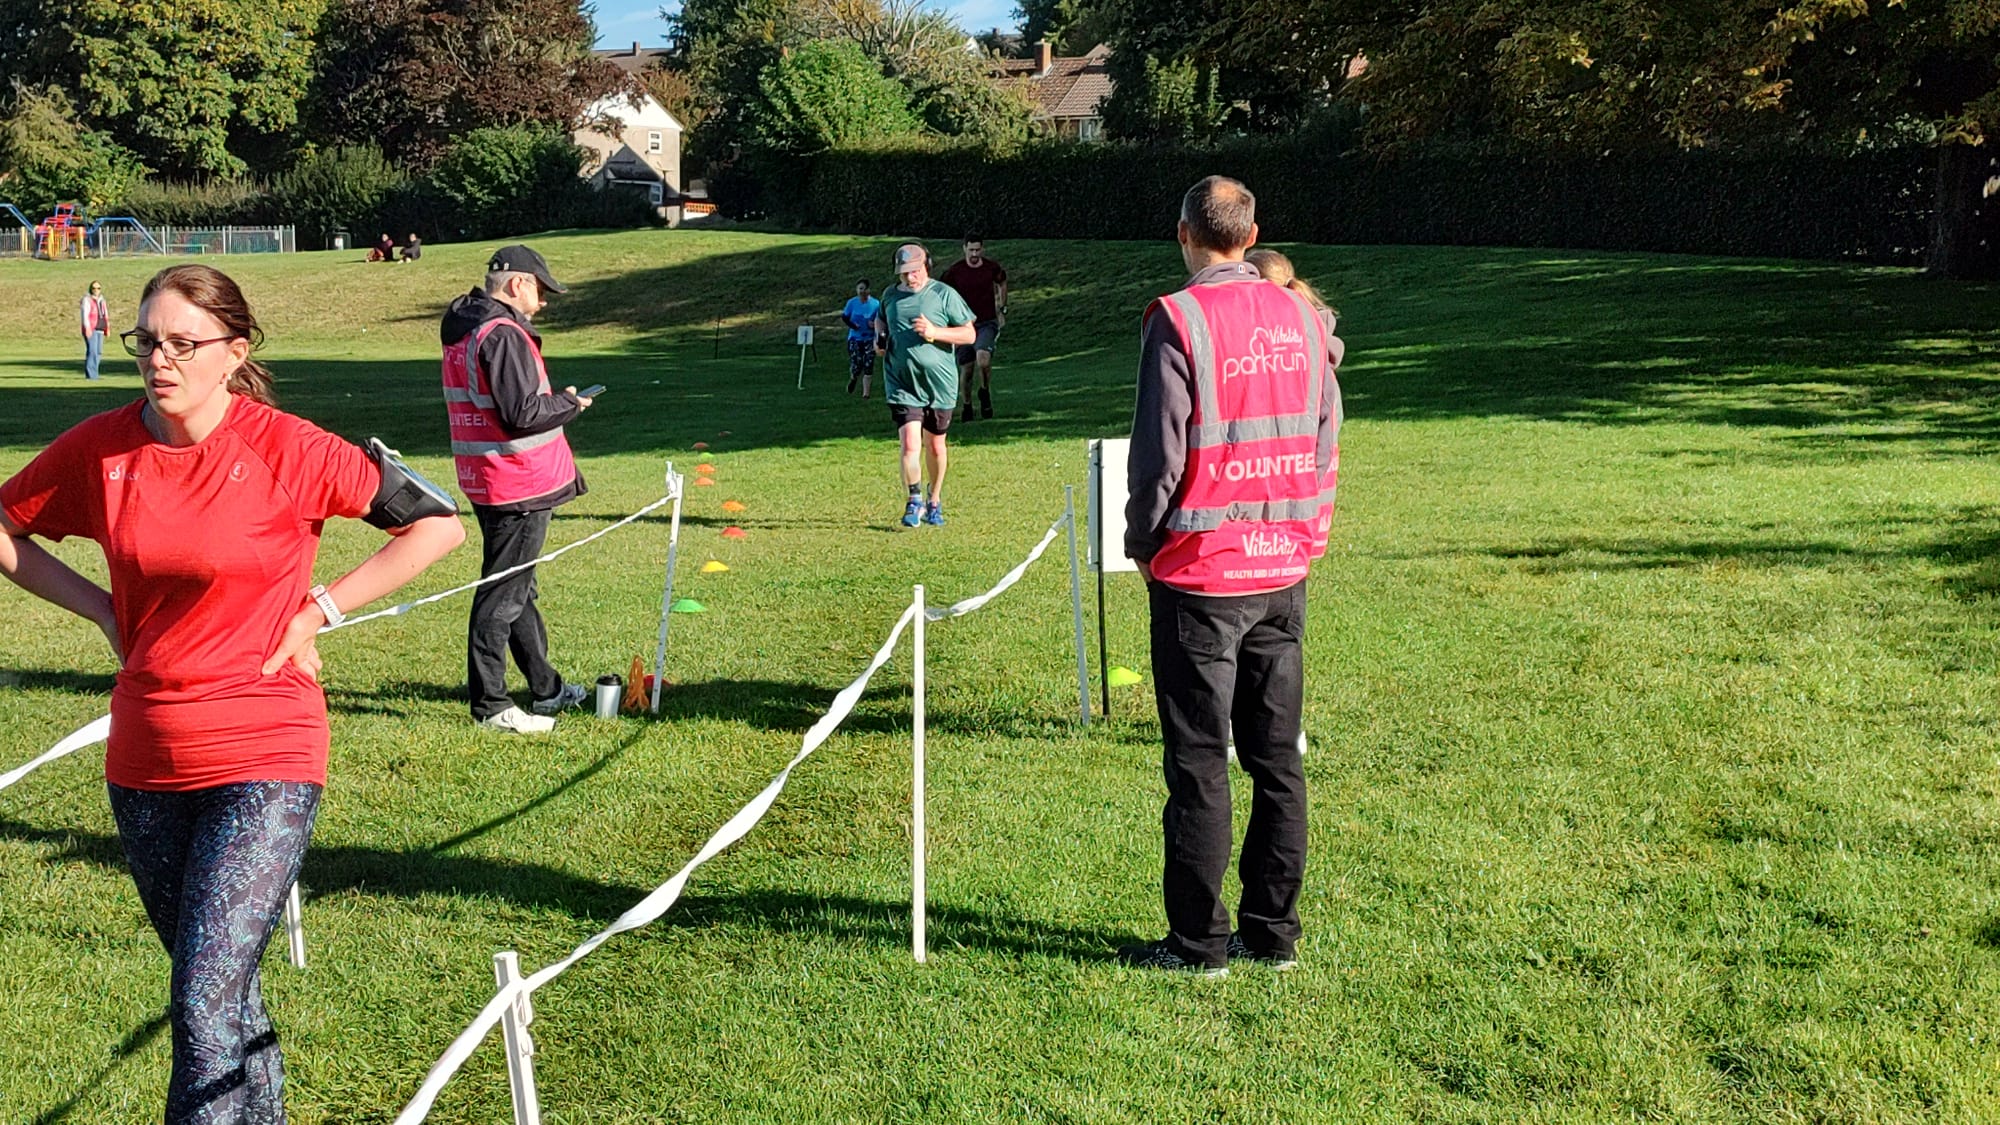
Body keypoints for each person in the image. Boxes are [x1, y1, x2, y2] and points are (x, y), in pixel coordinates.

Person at [0, 263, 465, 1121]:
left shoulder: (286, 445)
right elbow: (4, 525)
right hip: (145, 756)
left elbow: (437, 522)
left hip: (266, 747)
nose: (160, 360)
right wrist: (101, 608)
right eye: (148, 342)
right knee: (219, 991)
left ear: (233, 352)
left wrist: (319, 609)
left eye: (185, 343)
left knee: (205, 995)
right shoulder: (101, 448)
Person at [1120, 176, 1343, 977]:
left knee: (1199, 761)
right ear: (1252, 237)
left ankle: (1198, 943)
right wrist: (1308, 535)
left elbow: (1157, 455)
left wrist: (1140, 541)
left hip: (1200, 574)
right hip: (1284, 567)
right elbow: (1325, 442)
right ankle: (1274, 933)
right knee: (1277, 757)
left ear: (1184, 234)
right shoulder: (1309, 319)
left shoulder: (1177, 318)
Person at [442, 244, 596, 732]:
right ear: (518, 284)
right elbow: (523, 413)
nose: (544, 302)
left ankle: (546, 688)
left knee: (516, 586)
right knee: (501, 596)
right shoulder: (503, 334)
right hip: (520, 483)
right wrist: (570, 404)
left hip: (488, 477)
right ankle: (490, 705)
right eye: (542, 290)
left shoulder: (466, 325)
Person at [872, 243, 977, 528]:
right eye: (904, 273)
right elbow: (881, 319)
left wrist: (934, 332)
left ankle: (934, 499)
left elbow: (969, 334)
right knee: (909, 444)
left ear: (926, 266)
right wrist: (879, 338)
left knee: (936, 447)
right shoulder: (890, 295)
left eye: (914, 271)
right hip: (902, 382)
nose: (909, 278)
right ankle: (914, 499)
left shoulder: (944, 294)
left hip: (939, 384)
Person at [939, 233, 1007, 422]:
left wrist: (1002, 308)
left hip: (987, 322)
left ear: (982, 249)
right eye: (971, 250)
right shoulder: (955, 271)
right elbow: (941, 290)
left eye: (978, 250)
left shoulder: (991, 268)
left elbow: (1002, 282)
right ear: (964, 249)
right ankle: (967, 405)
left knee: (983, 359)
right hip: (963, 325)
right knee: (966, 369)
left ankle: (984, 392)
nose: (974, 254)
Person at [841, 278, 881, 396]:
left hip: (869, 338)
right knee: (857, 364)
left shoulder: (875, 304)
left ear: (869, 290)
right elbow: (845, 317)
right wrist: (853, 325)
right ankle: (853, 378)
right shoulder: (852, 303)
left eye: (864, 289)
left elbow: (880, 319)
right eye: (860, 289)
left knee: (869, 363)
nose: (862, 291)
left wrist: (874, 325)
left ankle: (866, 394)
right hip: (855, 338)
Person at [79, 280, 109, 380]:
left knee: (99, 352)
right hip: (91, 329)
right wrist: (87, 328)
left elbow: (105, 314)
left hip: (100, 328)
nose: (96, 290)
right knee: (92, 351)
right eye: (94, 288)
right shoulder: (87, 300)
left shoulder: (102, 300)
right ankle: (91, 375)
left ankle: (95, 373)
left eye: (98, 288)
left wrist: (107, 327)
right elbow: (85, 315)